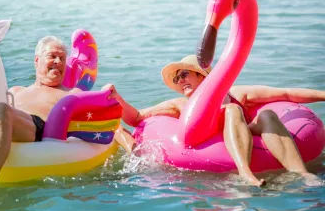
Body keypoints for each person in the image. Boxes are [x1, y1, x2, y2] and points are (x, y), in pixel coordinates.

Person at [0, 36, 129, 206]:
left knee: (3, 110)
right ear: (37, 61)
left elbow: (108, 123)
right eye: (52, 56)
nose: (58, 62)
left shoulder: (72, 93)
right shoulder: (16, 91)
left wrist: (130, 146)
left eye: (62, 58)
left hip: (35, 128)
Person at [102, 55, 325, 187]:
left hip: (250, 132)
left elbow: (286, 94)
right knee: (230, 112)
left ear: (203, 76)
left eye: (184, 75)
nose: (180, 81)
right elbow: (137, 118)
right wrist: (117, 98)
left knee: (265, 114)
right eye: (177, 78)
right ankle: (245, 173)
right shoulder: (181, 106)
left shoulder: (237, 94)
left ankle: (302, 173)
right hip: (211, 145)